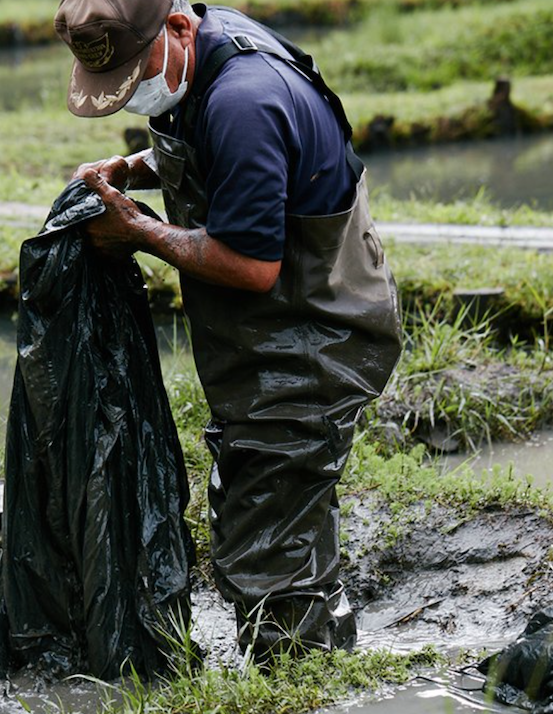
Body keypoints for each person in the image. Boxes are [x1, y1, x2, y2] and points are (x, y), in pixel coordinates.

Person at [54, 0, 403, 662]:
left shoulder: (245, 99)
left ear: (178, 27)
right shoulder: (204, 54)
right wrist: (136, 167)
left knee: (258, 534)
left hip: (314, 336)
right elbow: (231, 152)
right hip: (285, 330)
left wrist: (138, 231)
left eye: (136, 75)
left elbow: (251, 265)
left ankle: (289, 680)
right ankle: (331, 643)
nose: (137, 96)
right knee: (290, 497)